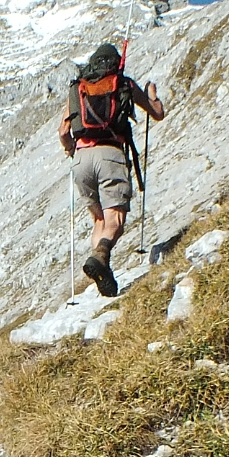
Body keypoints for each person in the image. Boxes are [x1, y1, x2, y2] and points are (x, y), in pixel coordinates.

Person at [58, 42, 165, 297]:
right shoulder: (123, 83)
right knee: (115, 220)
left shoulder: (79, 88)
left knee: (99, 219)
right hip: (111, 154)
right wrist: (152, 94)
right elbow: (157, 113)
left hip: (81, 159)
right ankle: (101, 255)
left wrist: (71, 150)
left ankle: (102, 271)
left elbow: (63, 131)